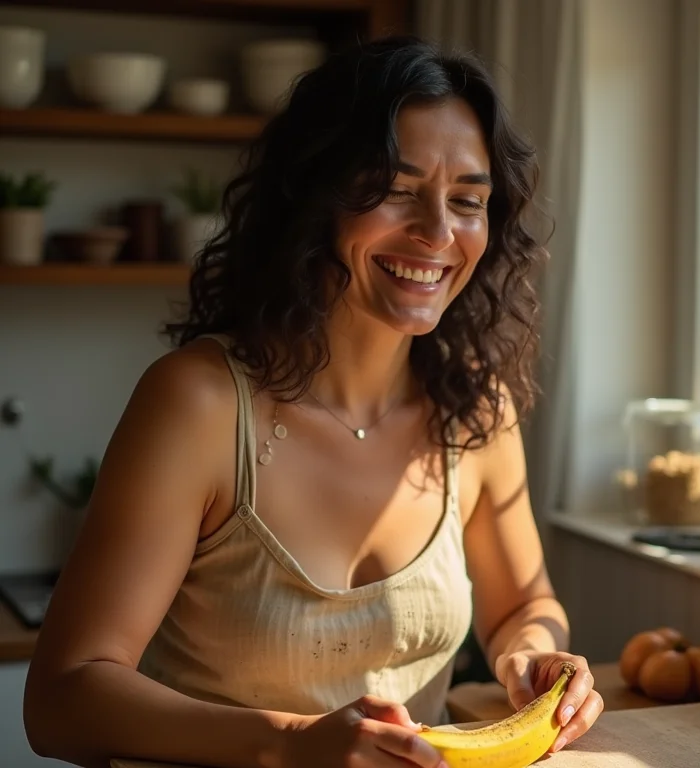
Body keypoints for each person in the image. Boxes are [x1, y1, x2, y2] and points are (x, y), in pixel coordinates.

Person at [24, 34, 603, 768]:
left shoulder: (475, 412)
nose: (437, 233)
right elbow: (62, 698)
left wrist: (535, 657)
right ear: (315, 196)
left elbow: (525, 606)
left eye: (468, 201)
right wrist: (291, 744)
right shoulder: (200, 404)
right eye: (397, 190)